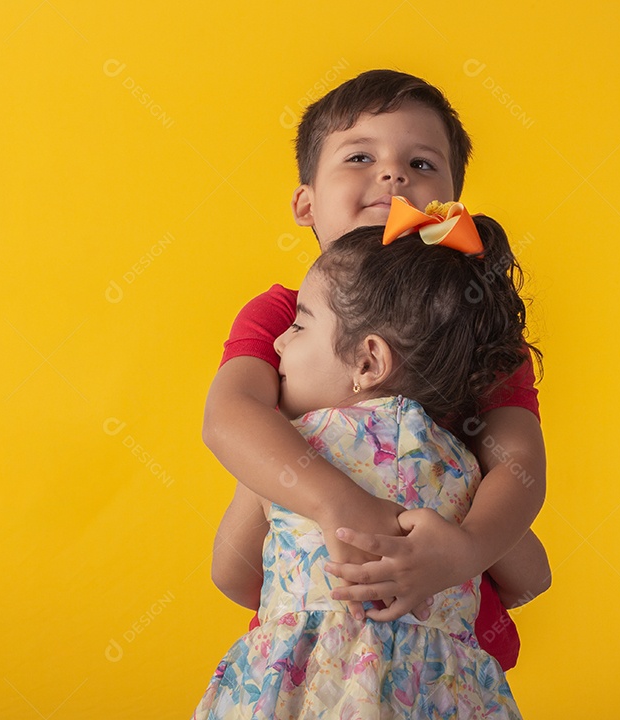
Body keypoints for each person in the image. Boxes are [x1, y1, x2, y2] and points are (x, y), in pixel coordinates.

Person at [203, 71, 551, 671]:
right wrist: (340, 504)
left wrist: (464, 549)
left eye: (421, 163)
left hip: (446, 651)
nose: (393, 175)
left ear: (449, 206)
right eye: (360, 155)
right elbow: (230, 416)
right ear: (305, 201)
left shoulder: (480, 329)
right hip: (315, 626)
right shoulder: (283, 317)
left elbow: (520, 466)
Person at [193, 202, 541, 718]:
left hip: (306, 689)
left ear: (367, 361)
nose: (280, 340)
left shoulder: (289, 453)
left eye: (300, 326)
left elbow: (232, 573)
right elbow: (533, 578)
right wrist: (462, 554)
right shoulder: (467, 473)